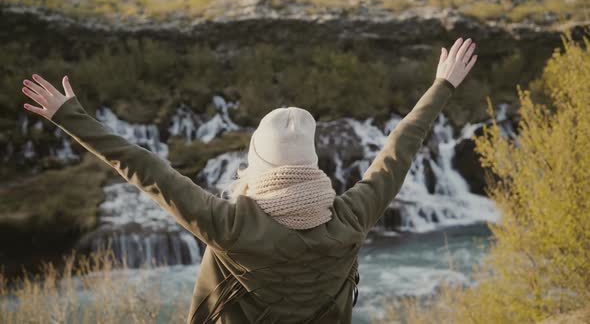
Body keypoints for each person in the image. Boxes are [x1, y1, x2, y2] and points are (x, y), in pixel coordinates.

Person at [21, 37, 477, 323]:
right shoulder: (353, 216)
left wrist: (70, 117)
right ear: (312, 165)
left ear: (257, 164)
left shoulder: (229, 225)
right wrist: (442, 85)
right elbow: (400, 150)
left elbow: (144, 168)